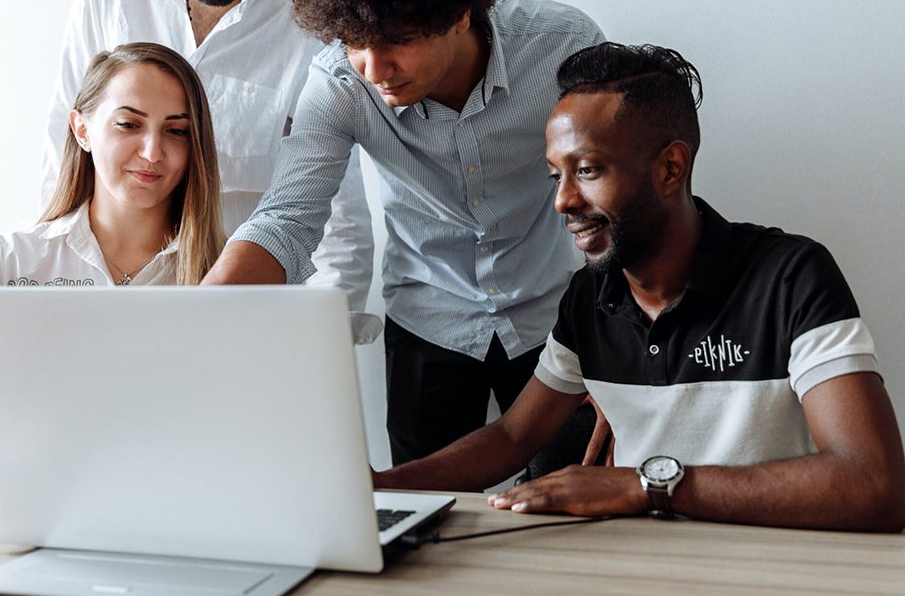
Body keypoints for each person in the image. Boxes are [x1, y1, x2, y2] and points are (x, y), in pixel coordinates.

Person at [374, 42, 905, 532]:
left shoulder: (790, 277)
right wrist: (373, 489)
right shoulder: (588, 298)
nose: (563, 201)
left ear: (671, 168)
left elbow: (875, 486)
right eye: (555, 175)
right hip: (636, 568)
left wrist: (644, 485)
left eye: (586, 170)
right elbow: (512, 438)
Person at [204, 0, 607, 470]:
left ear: (459, 11)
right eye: (354, 42)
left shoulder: (562, 49)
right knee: (427, 524)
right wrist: (192, 327)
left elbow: (621, 200)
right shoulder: (340, 83)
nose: (374, 68)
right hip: (429, 323)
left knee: (572, 521)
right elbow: (287, 220)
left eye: (397, 39)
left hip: (560, 317)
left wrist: (629, 348)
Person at [42, 0, 374, 328]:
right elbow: (63, 152)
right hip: (109, 305)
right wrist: (50, 293)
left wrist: (324, 341)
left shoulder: (308, 21)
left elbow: (336, 210)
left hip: (244, 321)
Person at [0, 42, 225, 513]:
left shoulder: (224, 277)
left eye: (176, 131)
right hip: (27, 528)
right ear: (82, 129)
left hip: (179, 522)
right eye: (129, 124)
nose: (153, 152)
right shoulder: (8, 264)